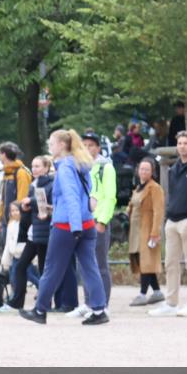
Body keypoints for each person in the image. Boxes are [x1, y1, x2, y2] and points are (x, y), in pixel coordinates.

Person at [18, 129, 109, 326]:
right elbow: (84, 195)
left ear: (61, 145)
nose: (49, 147)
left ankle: (40, 309)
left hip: (68, 226)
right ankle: (100, 309)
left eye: (51, 143)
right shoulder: (79, 165)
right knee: (90, 267)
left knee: (52, 268)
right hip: (86, 223)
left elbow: (71, 197)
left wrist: (74, 226)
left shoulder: (66, 167)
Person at [149, 131, 187, 317]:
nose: (182, 146)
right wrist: (168, 216)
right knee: (170, 263)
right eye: (179, 143)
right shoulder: (174, 168)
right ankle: (171, 302)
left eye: (185, 143)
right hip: (172, 221)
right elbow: (172, 195)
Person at [4, 155, 71, 312]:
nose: (34, 169)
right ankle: (17, 301)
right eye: (33, 166)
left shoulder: (50, 184)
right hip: (34, 233)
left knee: (44, 269)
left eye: (38, 166)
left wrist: (30, 202)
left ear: (47, 168)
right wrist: (23, 207)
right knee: (21, 267)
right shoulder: (33, 185)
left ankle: (46, 303)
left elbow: (46, 203)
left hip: (46, 233)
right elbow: (30, 208)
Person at [80, 132, 117, 308]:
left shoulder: (106, 168)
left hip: (97, 221)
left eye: (91, 145)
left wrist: (102, 220)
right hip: (83, 221)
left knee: (100, 265)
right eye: (84, 145)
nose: (88, 148)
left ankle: (103, 304)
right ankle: (88, 302)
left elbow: (110, 196)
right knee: (84, 264)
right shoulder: (80, 167)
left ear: (98, 148)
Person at [127, 157, 165, 306]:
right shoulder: (137, 188)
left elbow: (158, 211)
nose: (143, 172)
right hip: (136, 229)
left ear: (152, 172)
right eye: (141, 169)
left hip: (147, 229)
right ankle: (156, 291)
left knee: (146, 261)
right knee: (143, 261)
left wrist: (155, 232)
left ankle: (142, 294)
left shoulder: (155, 188)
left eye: (147, 169)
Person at [0, 142, 32, 243]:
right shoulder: (7, 173)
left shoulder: (21, 173)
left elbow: (22, 199)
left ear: (4, 154)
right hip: (6, 221)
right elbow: (3, 199)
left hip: (15, 223)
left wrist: (15, 220)